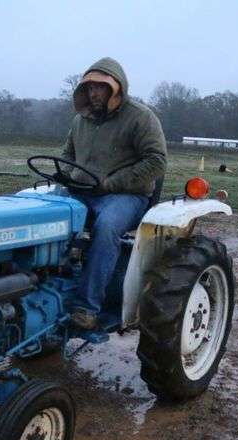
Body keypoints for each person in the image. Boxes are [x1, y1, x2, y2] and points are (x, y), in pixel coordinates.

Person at [61, 57, 167, 329]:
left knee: (106, 227)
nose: (93, 92)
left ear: (116, 88)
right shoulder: (80, 120)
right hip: (81, 192)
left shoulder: (140, 117)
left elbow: (156, 161)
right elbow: (68, 154)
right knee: (40, 212)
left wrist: (111, 183)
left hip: (125, 195)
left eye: (100, 87)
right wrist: (64, 176)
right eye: (89, 87)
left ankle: (87, 307)